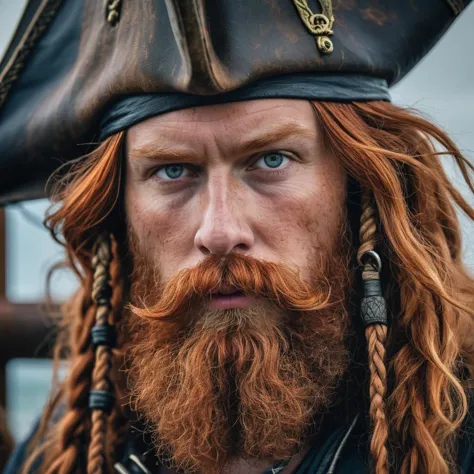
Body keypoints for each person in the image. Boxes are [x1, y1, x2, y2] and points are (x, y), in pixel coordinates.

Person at [1, 0, 474, 473]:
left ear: (357, 186)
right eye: (173, 170)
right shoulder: (74, 449)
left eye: (271, 160)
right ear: (118, 213)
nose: (220, 232)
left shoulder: (459, 437)